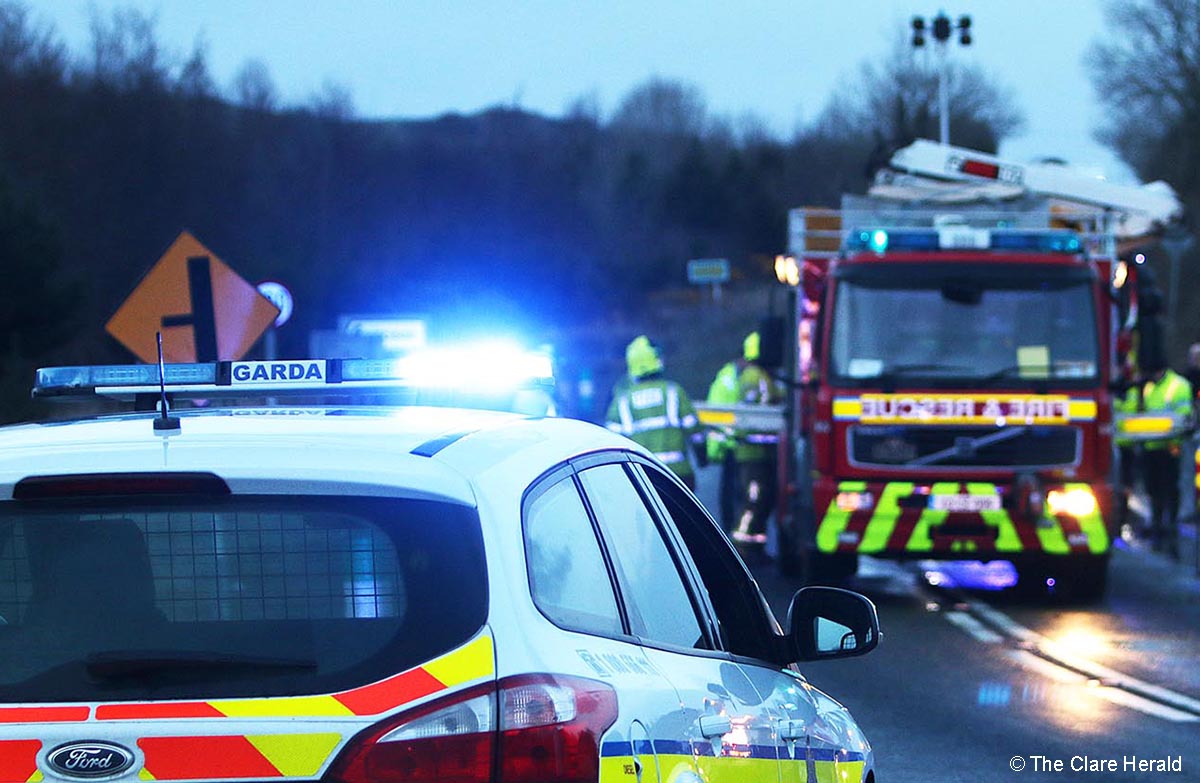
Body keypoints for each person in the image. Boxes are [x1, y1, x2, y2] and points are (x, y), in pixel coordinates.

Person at [1117, 354, 1194, 557]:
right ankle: (1159, 522)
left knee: (1170, 487)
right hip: (1151, 446)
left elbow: (1182, 416)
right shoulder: (1149, 387)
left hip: (1170, 446)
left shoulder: (1179, 385)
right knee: (1153, 487)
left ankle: (1170, 523)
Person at [606, 336, 705, 490]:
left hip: (642, 476)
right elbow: (695, 432)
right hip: (679, 474)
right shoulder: (673, 392)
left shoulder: (622, 401)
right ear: (656, 360)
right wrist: (702, 458)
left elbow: (609, 444)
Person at [731, 331, 784, 554]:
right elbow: (758, 413)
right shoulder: (754, 377)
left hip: (761, 453)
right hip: (753, 453)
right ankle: (742, 546)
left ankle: (756, 548)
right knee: (754, 500)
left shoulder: (759, 375)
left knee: (762, 500)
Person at [706, 351, 746, 532]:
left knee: (730, 493)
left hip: (730, 444)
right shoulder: (731, 380)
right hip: (733, 445)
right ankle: (731, 531)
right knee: (733, 494)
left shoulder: (727, 377)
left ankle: (730, 530)